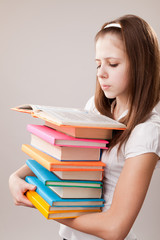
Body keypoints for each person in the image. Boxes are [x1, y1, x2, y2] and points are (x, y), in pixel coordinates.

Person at [9, 14, 160, 240]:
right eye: (98, 64)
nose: (101, 73)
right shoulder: (96, 108)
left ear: (141, 65)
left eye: (113, 64)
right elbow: (63, 154)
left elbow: (115, 229)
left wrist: (44, 203)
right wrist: (16, 177)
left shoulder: (147, 130)